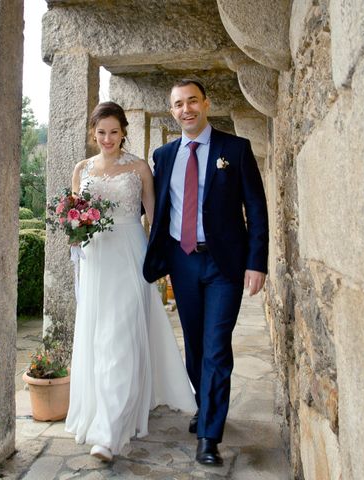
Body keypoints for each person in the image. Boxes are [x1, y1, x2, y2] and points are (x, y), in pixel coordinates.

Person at [143, 80, 269, 466]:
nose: (186, 110)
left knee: (216, 346)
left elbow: (257, 209)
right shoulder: (163, 156)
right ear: (173, 111)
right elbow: (151, 207)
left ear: (206, 103)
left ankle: (209, 435)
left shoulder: (236, 149)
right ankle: (205, 402)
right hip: (182, 262)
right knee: (195, 344)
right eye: (178, 104)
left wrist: (257, 262)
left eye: (192, 101)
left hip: (224, 263)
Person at [65, 101, 196, 462]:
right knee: (100, 337)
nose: (107, 138)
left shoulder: (139, 168)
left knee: (119, 336)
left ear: (124, 131)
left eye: (113, 131)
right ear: (93, 133)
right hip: (96, 260)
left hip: (130, 255)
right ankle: (107, 415)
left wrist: (167, 260)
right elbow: (74, 214)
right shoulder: (81, 169)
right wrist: (74, 232)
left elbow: (154, 218)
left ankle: (108, 434)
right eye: (101, 132)